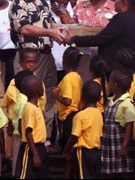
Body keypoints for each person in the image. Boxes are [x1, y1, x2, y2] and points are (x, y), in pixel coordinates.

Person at [8, 0, 65, 142]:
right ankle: (28, 138)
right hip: (29, 57)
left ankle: (45, 138)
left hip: (47, 55)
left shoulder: (41, 2)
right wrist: (50, 33)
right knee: (29, 96)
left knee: (48, 96)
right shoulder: (18, 3)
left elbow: (50, 25)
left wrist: (63, 31)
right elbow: (24, 29)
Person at [64, 0, 135, 79]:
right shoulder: (134, 18)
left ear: (125, 2)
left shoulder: (122, 19)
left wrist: (73, 39)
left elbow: (99, 39)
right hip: (131, 70)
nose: (115, 2)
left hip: (121, 73)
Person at [51, 46, 83, 179]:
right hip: (74, 115)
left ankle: (67, 175)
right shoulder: (78, 76)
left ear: (64, 61)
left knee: (68, 152)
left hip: (69, 117)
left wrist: (55, 95)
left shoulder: (69, 78)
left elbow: (68, 101)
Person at [101, 69, 135, 179]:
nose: (107, 84)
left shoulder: (127, 103)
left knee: (124, 171)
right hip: (109, 143)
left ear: (115, 85)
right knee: (108, 171)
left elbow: (129, 126)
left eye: (109, 81)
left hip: (120, 143)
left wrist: (124, 146)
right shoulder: (110, 100)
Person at [64, 80, 103, 179]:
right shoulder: (99, 114)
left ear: (82, 96)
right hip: (96, 152)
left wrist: (66, 150)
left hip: (83, 153)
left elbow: (74, 136)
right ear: (99, 98)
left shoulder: (80, 116)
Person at [16, 75, 49, 179]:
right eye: (40, 85)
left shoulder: (36, 107)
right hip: (31, 148)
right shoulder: (29, 108)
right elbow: (28, 132)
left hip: (40, 147)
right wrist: (35, 154)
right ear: (36, 90)